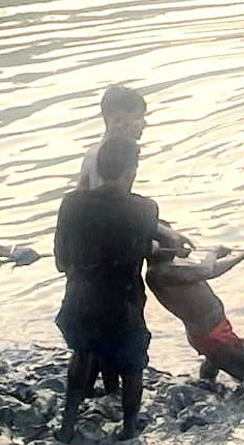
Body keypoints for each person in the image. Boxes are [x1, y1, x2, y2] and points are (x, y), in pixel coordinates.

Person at [54, 138, 158, 442]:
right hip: (121, 306)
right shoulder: (144, 208)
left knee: (83, 353)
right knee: (133, 365)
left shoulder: (71, 203)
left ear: (98, 167)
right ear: (131, 170)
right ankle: (128, 429)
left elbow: (61, 261)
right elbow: (147, 253)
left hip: (78, 304)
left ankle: (67, 426)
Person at [146, 245, 244, 390]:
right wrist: (214, 252)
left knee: (214, 359)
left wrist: (236, 256)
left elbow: (208, 267)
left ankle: (206, 387)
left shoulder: (171, 267)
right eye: (170, 240)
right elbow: (207, 270)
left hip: (210, 331)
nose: (177, 240)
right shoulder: (160, 272)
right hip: (211, 335)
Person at [77, 85, 146, 191]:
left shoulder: (93, 154)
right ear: (117, 121)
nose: (144, 124)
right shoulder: (100, 157)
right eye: (138, 117)